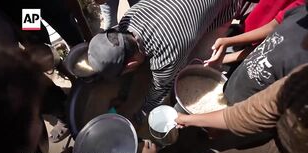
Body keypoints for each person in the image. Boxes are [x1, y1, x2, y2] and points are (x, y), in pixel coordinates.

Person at [73, 0, 242, 126]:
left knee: (196, 58)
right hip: (180, 11)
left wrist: (136, 114)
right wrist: (125, 93)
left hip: (224, 4)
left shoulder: (168, 53)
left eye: (123, 72)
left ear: (131, 65)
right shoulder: (127, 20)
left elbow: (158, 92)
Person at [175, 63, 308, 153]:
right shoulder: (302, 80)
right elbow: (250, 114)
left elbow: (243, 117)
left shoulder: (302, 81)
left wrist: (187, 119)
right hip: (274, 146)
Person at [205, 0, 305, 68]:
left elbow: (273, 28)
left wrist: (226, 52)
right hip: (244, 29)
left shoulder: (302, 6)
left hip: (259, 46)